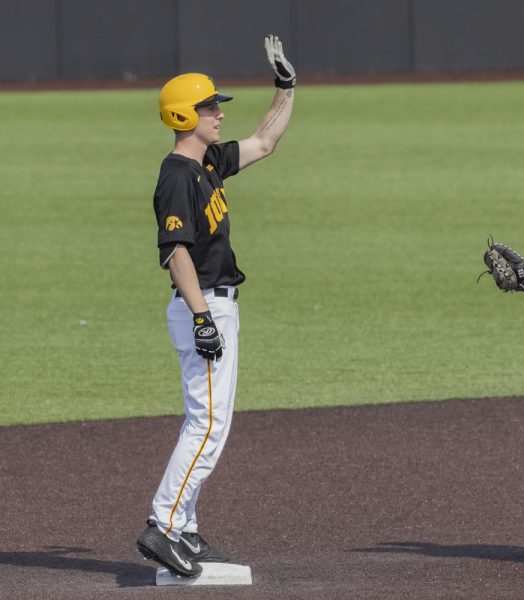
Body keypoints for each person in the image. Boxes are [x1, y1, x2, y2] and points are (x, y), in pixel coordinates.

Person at [135, 35, 297, 578]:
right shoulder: (178, 175)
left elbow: (266, 142)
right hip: (202, 308)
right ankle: (162, 526)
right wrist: (203, 316)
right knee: (207, 426)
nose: (217, 114)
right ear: (185, 114)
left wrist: (286, 88)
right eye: (209, 107)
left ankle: (184, 528)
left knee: (208, 422)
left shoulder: (206, 165)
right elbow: (175, 250)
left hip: (213, 307)